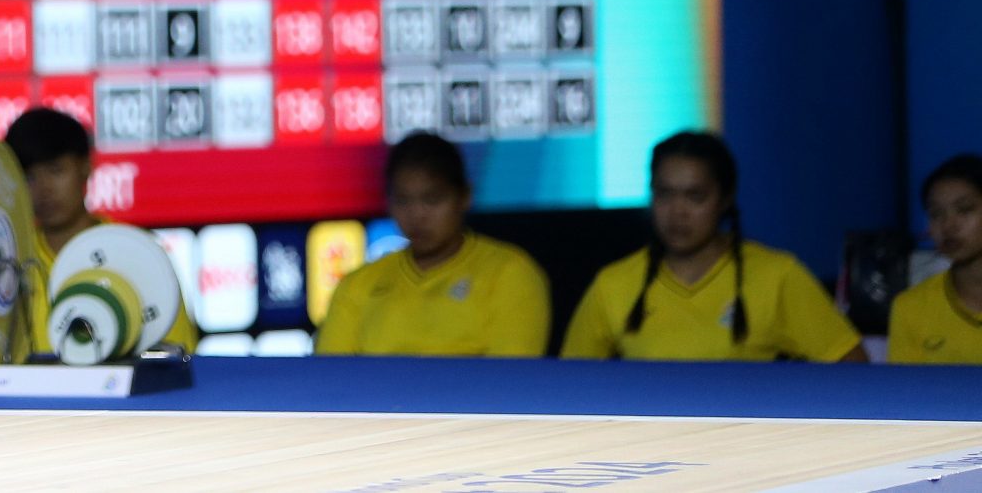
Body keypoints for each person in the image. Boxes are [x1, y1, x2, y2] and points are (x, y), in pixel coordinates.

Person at [561, 130, 865, 363]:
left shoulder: (776, 276)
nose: (677, 212)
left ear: (725, 199)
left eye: (695, 196)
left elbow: (852, 366)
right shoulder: (613, 285)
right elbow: (567, 384)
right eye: (665, 194)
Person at [315, 132, 549, 357]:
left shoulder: (510, 274)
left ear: (464, 197)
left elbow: (511, 384)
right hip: (375, 399)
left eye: (432, 199)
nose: (417, 215)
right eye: (403, 200)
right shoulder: (358, 285)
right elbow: (330, 380)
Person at [2, 107, 198, 355]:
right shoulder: (9, 261)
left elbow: (175, 358)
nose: (44, 190)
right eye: (29, 177)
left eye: (56, 170)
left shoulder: (139, 252)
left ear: (86, 166)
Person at [887, 153, 982, 364]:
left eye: (964, 209)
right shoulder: (910, 308)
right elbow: (908, 392)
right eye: (936, 214)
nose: (949, 225)